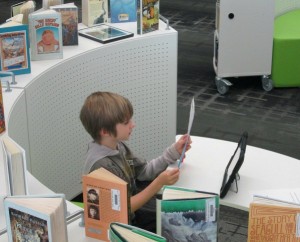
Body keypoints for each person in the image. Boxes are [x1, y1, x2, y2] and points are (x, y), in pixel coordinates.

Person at [80, 91, 192, 232]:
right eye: (126, 122)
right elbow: (122, 209)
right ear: (105, 132)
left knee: (177, 221)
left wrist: (173, 151)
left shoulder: (118, 145)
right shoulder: (101, 166)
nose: (133, 125)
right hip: (115, 229)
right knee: (175, 227)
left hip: (130, 216)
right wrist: (158, 183)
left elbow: (144, 171)